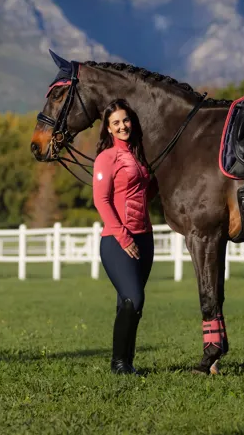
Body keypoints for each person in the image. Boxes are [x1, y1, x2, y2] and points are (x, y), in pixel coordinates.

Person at [92, 99, 158, 375]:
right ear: (108, 128)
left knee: (128, 303)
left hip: (145, 238)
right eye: (116, 122)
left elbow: (146, 192)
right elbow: (101, 201)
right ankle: (119, 364)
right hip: (117, 241)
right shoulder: (106, 158)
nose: (122, 126)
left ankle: (125, 363)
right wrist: (123, 236)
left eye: (126, 120)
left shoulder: (139, 155)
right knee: (134, 297)